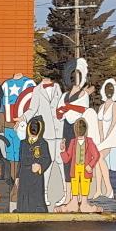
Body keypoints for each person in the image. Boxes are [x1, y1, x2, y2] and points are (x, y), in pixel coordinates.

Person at [31, 77, 67, 208]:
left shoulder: (58, 88)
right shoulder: (37, 90)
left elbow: (63, 108)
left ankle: (66, 194)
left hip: (60, 132)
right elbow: (32, 109)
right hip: (47, 135)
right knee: (46, 165)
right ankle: (44, 194)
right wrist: (23, 119)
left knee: (63, 165)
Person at [57, 118, 100, 213]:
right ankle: (74, 203)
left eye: (81, 127)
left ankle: (84, 204)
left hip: (85, 169)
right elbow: (67, 159)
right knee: (75, 185)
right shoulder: (73, 142)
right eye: (78, 127)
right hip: (75, 169)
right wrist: (63, 150)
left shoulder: (89, 141)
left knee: (85, 185)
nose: (79, 129)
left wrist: (90, 165)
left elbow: (96, 155)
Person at [15, 115, 52, 213]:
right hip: (24, 175)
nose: (32, 137)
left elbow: (47, 159)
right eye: (31, 134)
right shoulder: (23, 143)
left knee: (36, 197)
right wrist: (17, 176)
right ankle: (22, 210)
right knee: (23, 196)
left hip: (35, 177)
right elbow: (20, 161)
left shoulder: (43, 143)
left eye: (34, 135)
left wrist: (40, 166)